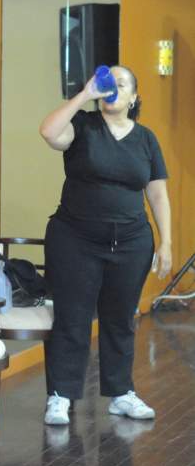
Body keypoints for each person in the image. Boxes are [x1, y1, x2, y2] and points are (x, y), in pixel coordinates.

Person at [39, 66, 172, 426]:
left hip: (131, 242)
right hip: (75, 239)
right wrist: (85, 94)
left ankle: (121, 392)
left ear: (133, 98)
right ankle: (60, 395)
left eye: (121, 83)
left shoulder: (146, 139)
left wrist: (166, 242)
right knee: (72, 317)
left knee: (120, 318)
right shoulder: (82, 125)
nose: (113, 88)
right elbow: (48, 132)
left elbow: (158, 194)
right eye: (108, 82)